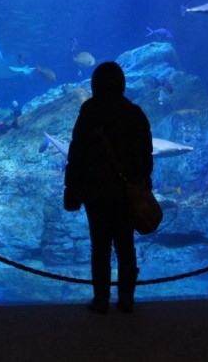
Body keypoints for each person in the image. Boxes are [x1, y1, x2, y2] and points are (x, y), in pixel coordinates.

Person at [65, 61, 153, 314]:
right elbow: (144, 156)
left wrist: (72, 192)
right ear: (122, 85)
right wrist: (143, 186)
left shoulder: (89, 113)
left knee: (100, 246)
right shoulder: (135, 114)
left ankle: (101, 299)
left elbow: (77, 155)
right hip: (126, 194)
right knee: (126, 245)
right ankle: (127, 298)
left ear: (95, 85)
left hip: (96, 192)